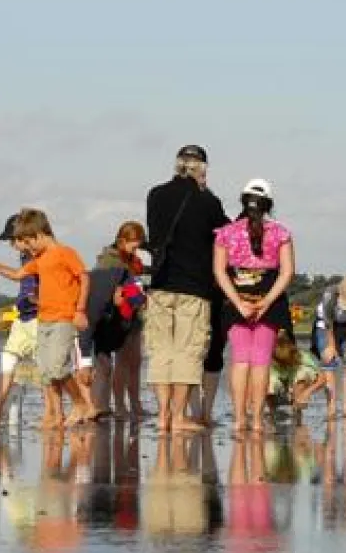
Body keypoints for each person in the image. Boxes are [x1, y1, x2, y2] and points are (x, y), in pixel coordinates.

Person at [0, 208, 92, 427]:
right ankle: (55, 415)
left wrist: (80, 310)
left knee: (56, 366)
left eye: (28, 241)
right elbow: (18, 275)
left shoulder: (65, 253)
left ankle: (80, 403)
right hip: (44, 318)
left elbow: (84, 278)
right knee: (45, 371)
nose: (27, 247)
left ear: (40, 233)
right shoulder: (40, 258)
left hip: (64, 317)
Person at [145, 144, 231, 431]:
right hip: (194, 287)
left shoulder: (155, 195)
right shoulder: (207, 201)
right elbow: (226, 233)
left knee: (160, 352)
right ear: (202, 169)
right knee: (186, 353)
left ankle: (162, 416)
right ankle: (180, 416)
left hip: (159, 286)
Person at [213, 178, 296, 434]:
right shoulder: (280, 233)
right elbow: (288, 272)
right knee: (260, 362)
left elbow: (219, 271)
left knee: (240, 359)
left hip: (237, 299)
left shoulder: (226, 233)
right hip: (269, 299)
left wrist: (238, 302)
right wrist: (267, 301)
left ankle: (239, 419)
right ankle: (258, 420)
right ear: (268, 204)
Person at [0, 214, 50, 424]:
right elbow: (20, 277)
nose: (11, 245)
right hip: (22, 318)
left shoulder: (42, 257)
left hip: (38, 319)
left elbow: (46, 285)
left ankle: (50, 413)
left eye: (12, 240)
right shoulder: (25, 258)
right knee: (7, 360)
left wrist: (37, 297)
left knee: (44, 369)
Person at [75, 246, 145, 419]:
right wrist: (84, 361)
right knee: (90, 367)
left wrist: (132, 303)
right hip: (83, 318)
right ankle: (90, 407)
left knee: (105, 365)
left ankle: (101, 407)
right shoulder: (98, 294)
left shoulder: (128, 285)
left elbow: (138, 299)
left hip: (109, 323)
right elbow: (86, 329)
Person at [99, 222, 147, 421]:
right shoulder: (109, 261)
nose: (136, 250)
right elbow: (105, 289)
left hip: (134, 318)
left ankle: (136, 403)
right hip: (119, 319)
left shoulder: (132, 261)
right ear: (121, 241)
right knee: (123, 362)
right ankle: (119, 404)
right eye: (134, 246)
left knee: (135, 361)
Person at [310, 275, 346, 418]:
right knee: (329, 359)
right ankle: (331, 408)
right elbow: (328, 323)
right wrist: (331, 347)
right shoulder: (329, 295)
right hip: (326, 327)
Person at [268, 329, 325, 412]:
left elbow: (322, 379)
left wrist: (307, 392)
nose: (284, 363)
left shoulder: (302, 356)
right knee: (268, 381)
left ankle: (298, 418)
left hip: (295, 387)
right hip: (279, 388)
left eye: (286, 360)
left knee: (302, 374)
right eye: (281, 361)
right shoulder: (269, 358)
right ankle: (272, 414)